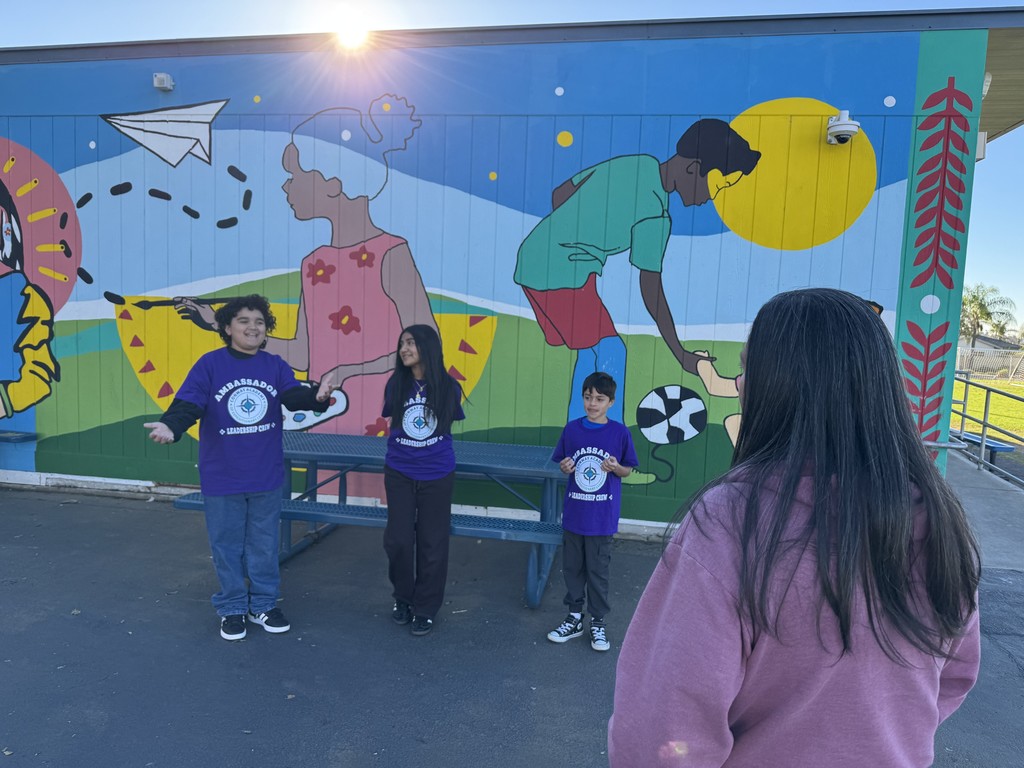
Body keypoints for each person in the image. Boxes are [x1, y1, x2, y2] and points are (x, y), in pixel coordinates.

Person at [608, 288, 981, 766]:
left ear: (781, 384)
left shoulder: (730, 521)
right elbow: (951, 679)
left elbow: (659, 734)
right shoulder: (941, 520)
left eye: (749, 370)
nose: (740, 384)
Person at [514, 118, 761, 423]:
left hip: (538, 258)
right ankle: (601, 440)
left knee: (592, 351)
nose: (712, 196)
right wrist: (680, 353)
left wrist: (575, 232)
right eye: (717, 185)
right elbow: (652, 290)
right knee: (610, 351)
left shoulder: (638, 164)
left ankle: (582, 434)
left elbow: (560, 194)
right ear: (692, 168)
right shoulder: (655, 215)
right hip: (564, 272)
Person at [144, 295, 329, 641]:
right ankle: (231, 607)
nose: (252, 327)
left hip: (265, 473)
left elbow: (293, 397)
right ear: (227, 328)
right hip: (223, 473)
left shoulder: (274, 365)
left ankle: (263, 604)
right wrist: (172, 425)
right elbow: (189, 402)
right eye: (243, 321)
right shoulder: (210, 365)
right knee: (227, 545)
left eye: (259, 321)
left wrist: (318, 398)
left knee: (263, 544)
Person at [382, 324, 465, 637]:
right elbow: (393, 420)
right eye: (402, 343)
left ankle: (426, 608)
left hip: (437, 473)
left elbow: (446, 426)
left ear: (428, 347)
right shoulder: (396, 384)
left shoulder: (448, 387)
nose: (404, 349)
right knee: (398, 541)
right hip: (400, 471)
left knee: (433, 543)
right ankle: (402, 598)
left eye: (412, 343)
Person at [547, 371, 638, 652]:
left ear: (611, 402)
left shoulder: (620, 433)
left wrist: (616, 468)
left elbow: (627, 469)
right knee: (572, 569)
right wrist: (564, 467)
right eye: (588, 397)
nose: (592, 403)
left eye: (599, 399)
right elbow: (563, 463)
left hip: (601, 520)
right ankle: (574, 617)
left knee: (598, 573)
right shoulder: (572, 430)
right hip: (575, 516)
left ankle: (598, 622)